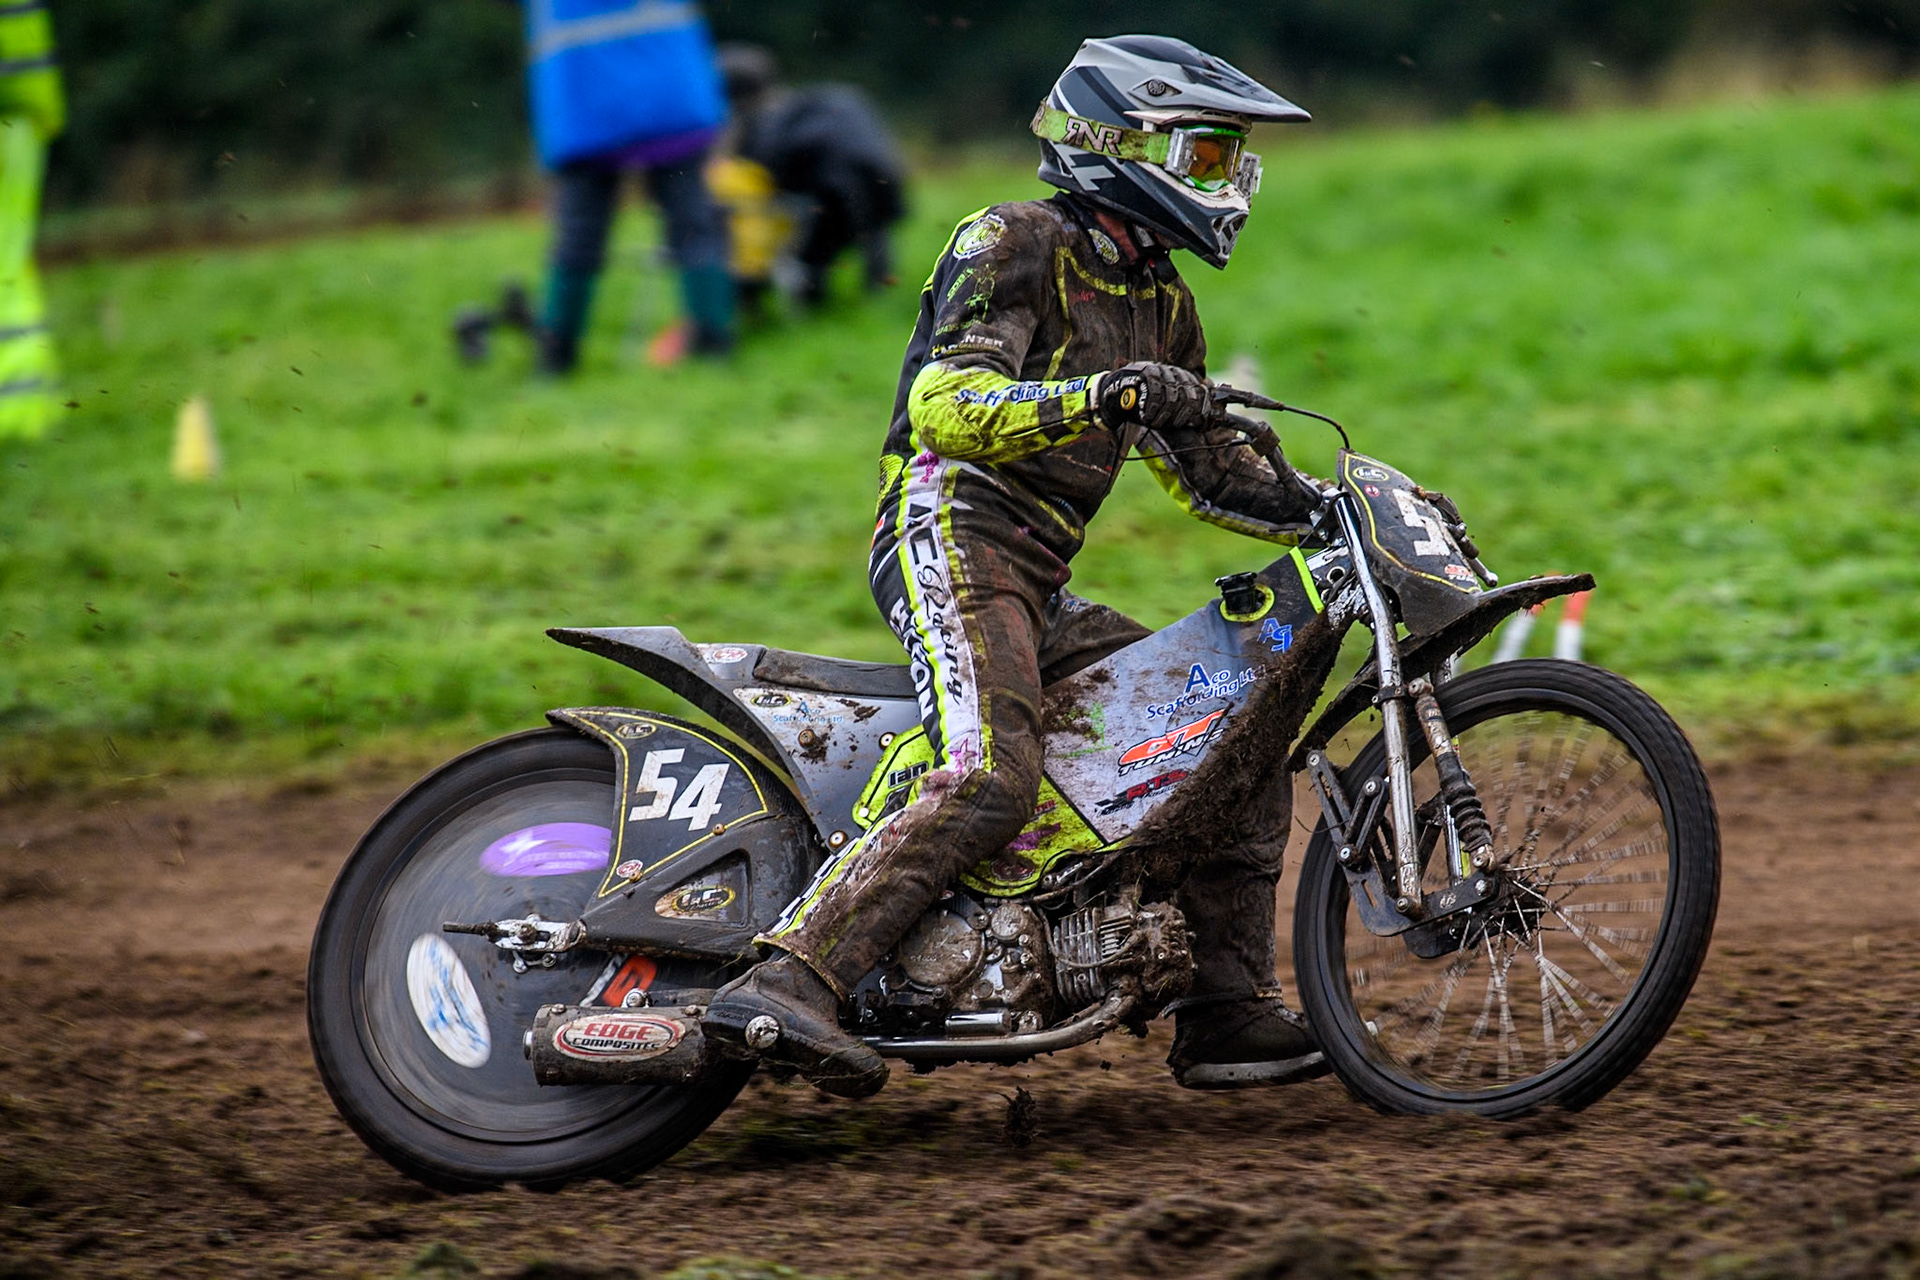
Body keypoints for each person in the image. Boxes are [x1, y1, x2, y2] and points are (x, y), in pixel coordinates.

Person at [704, 35, 1325, 1098]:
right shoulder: (1013, 241)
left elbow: (1207, 474)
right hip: (947, 530)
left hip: (1037, 570)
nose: (1232, 182)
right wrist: (1103, 396)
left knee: (1232, 730)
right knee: (995, 769)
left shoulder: (1162, 302)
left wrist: (1335, 507)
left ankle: (1222, 1008)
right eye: (1211, 156)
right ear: (1119, 143)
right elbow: (946, 405)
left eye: (1234, 161)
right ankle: (789, 977)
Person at [523, 0, 734, 372]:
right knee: (693, 225)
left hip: (586, 100)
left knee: (579, 235)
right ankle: (715, 345)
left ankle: (555, 360)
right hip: (668, 92)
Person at [719, 44, 907, 307]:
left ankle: (800, 300)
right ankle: (875, 292)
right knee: (867, 229)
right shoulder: (833, 97)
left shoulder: (762, 124)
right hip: (882, 176)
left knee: (809, 253)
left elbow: (767, 179)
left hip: (837, 193)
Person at [0, 0, 63, 440]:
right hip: (24, 111)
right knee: (10, 259)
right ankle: (26, 403)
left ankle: (18, 407)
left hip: (14, 112)